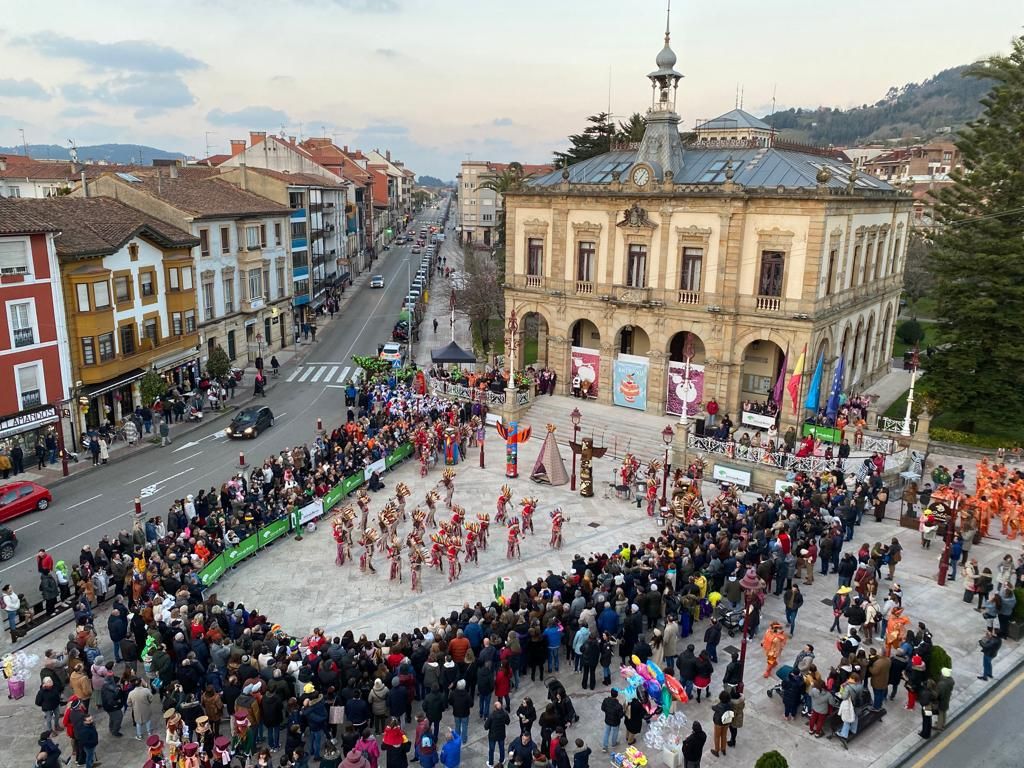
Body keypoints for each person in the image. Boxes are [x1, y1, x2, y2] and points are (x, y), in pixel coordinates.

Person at [484, 701, 510, 767]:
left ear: (495, 708)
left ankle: (491, 763)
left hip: (493, 735)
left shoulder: (491, 716)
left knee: (491, 750)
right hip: (501, 734)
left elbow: (486, 727)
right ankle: (502, 760)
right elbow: (508, 722)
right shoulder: (504, 714)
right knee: (501, 747)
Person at [710, 691, 732, 757]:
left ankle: (716, 750)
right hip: (726, 722)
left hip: (718, 723)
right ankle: (723, 749)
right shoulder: (730, 704)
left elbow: (713, 707)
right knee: (724, 735)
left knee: (717, 736)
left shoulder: (719, 705)